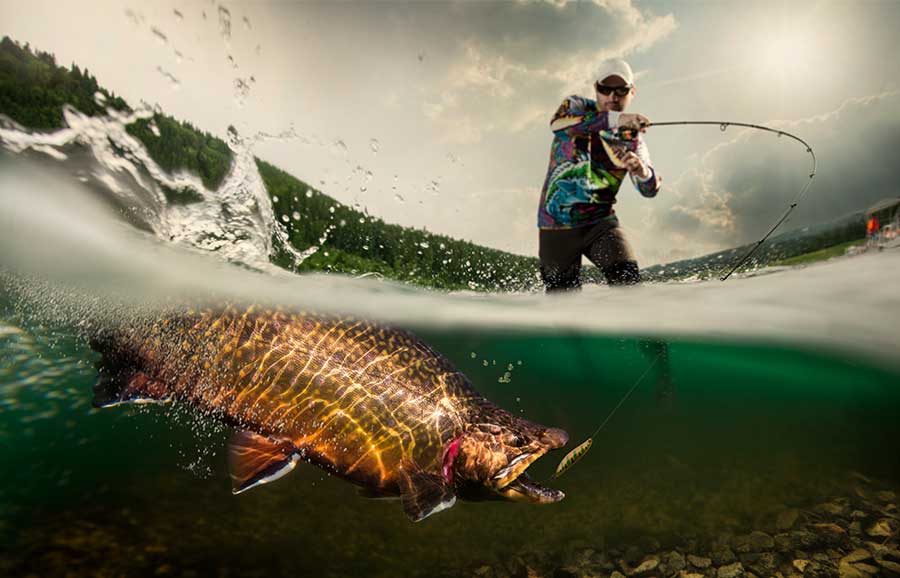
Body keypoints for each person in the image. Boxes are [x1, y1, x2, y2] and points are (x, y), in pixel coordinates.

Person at [537, 58, 661, 291]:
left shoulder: (634, 140)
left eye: (621, 90)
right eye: (605, 89)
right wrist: (618, 119)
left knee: (628, 283)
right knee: (562, 297)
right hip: (556, 224)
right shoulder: (576, 106)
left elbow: (650, 189)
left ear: (632, 91)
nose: (612, 96)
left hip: (601, 225)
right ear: (596, 88)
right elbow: (557, 125)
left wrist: (641, 171)